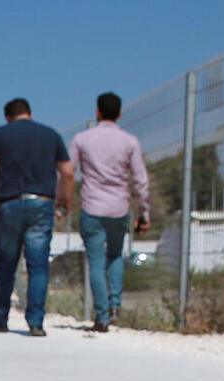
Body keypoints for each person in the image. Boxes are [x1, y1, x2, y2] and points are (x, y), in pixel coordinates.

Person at [0, 98, 74, 336]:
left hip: (11, 203)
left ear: (8, 117)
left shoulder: (1, 133)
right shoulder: (50, 134)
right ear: (30, 114)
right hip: (42, 203)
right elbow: (67, 170)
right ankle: (35, 322)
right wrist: (65, 200)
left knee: (6, 264)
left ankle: (0, 317)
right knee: (38, 265)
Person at [69, 92, 150, 332]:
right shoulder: (130, 141)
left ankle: (101, 316)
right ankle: (116, 306)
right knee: (115, 255)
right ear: (120, 113)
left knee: (95, 261)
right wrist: (144, 212)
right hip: (119, 208)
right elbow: (140, 180)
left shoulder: (82, 139)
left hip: (92, 207)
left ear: (97, 112)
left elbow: (67, 171)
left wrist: (62, 200)